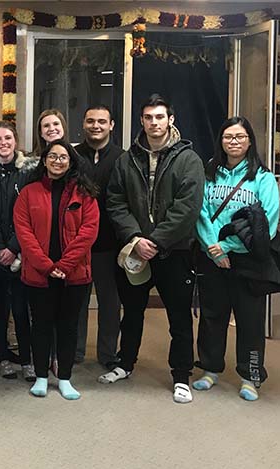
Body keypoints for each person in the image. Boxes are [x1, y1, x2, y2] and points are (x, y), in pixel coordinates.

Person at [103, 94, 205, 404]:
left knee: (179, 317)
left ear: (170, 119)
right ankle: (125, 364)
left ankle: (181, 375)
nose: (154, 122)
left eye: (159, 117)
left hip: (174, 252)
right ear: (142, 121)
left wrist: (157, 240)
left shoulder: (189, 159)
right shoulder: (126, 159)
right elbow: (115, 201)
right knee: (131, 313)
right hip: (135, 249)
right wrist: (136, 238)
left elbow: (187, 208)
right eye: (148, 117)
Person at [193, 116, 278, 401]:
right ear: (221, 141)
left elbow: (268, 222)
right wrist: (212, 246)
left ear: (250, 141)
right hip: (212, 257)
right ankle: (210, 369)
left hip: (247, 259)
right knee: (211, 316)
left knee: (250, 320)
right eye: (228, 137)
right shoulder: (210, 173)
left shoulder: (263, 178)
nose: (233, 142)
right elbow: (200, 212)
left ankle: (250, 376)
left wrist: (226, 247)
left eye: (240, 137)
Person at [13, 140, 99, 400]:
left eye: (63, 157)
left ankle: (64, 378)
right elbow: (24, 232)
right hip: (39, 273)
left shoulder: (84, 194)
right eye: (53, 156)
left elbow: (88, 232)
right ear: (45, 160)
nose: (58, 161)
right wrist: (47, 266)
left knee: (68, 327)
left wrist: (63, 265)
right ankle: (41, 376)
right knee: (40, 325)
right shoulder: (29, 193)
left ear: (71, 162)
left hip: (74, 274)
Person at [0, 121, 38, 381]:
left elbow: (28, 213)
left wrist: (13, 247)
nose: (3, 143)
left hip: (21, 253)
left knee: (21, 309)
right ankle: (3, 357)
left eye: (7, 138)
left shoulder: (28, 172)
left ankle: (26, 359)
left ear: (16, 140)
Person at [73, 105, 125, 368]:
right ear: (83, 124)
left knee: (109, 303)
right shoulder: (72, 156)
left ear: (111, 125)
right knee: (77, 302)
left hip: (109, 243)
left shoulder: (123, 158)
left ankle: (107, 354)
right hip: (77, 243)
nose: (96, 126)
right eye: (90, 120)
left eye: (102, 121)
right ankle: (75, 351)